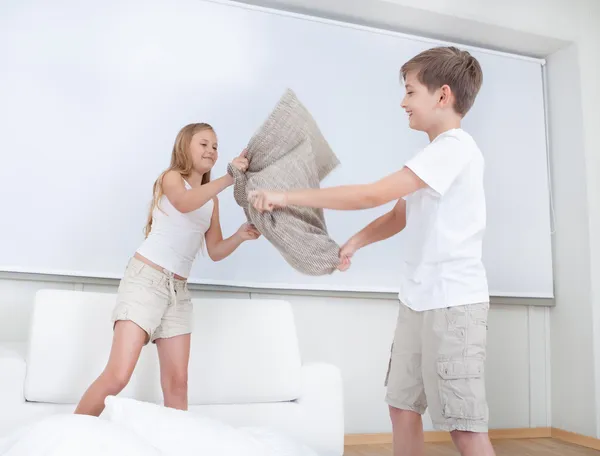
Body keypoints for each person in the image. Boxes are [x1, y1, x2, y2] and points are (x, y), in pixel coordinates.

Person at [248, 46, 495, 456]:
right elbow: (398, 215)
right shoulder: (430, 156)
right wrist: (355, 243)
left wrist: (285, 195)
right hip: (418, 301)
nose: (403, 102)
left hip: (454, 306)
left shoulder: (456, 148)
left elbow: (371, 195)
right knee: (401, 407)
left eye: (411, 92)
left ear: (443, 95)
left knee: (463, 426)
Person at [75, 123, 260, 416]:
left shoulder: (211, 202)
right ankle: (72, 437)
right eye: (204, 144)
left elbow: (215, 251)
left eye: (215, 146)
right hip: (145, 282)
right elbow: (184, 203)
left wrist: (240, 235)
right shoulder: (171, 178)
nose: (211, 150)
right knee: (119, 375)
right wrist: (229, 178)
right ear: (185, 146)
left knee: (178, 384)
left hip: (178, 292)